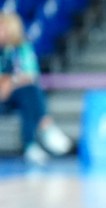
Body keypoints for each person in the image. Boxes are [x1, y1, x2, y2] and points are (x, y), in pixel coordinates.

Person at [0, 11, 73, 165]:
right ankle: (46, 127)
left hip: (13, 95)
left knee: (30, 92)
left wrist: (10, 81)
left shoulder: (21, 47)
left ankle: (32, 143)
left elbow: (30, 75)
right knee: (29, 91)